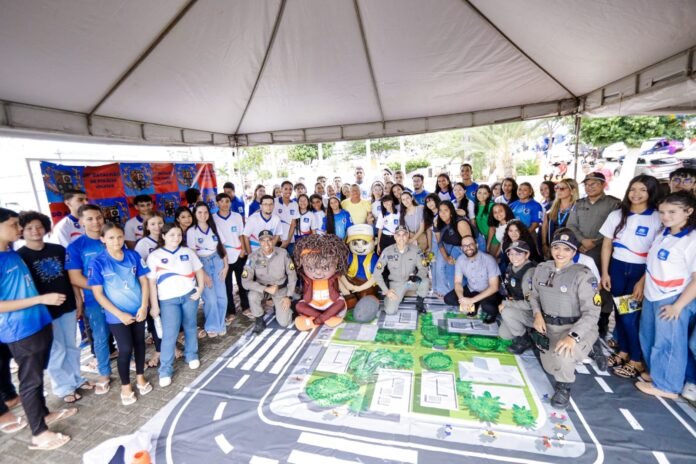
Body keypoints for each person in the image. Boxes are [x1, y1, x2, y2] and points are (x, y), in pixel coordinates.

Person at [0, 208, 76, 450]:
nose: (20, 228)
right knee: (30, 381)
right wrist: (40, 299)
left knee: (37, 375)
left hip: (39, 322)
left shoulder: (10, 253)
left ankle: (43, 414)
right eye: (14, 224)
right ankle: (39, 433)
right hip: (20, 329)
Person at [17, 212, 89, 404]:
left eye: (39, 226)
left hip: (67, 304)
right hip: (44, 311)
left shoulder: (58, 250)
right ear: (21, 231)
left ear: (46, 228)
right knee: (56, 350)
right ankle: (64, 387)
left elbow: (71, 277)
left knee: (71, 346)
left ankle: (77, 379)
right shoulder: (20, 257)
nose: (35, 231)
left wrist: (78, 298)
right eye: (29, 228)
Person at [529, 230, 601, 408]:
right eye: (557, 247)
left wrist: (573, 336)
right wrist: (537, 314)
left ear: (574, 252)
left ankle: (564, 387)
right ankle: (584, 349)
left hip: (574, 327)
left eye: (567, 249)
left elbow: (592, 312)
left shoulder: (583, 275)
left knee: (563, 354)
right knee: (550, 368)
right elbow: (533, 295)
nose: (560, 253)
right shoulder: (542, 269)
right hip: (550, 327)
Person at [599, 175, 662, 378]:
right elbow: (607, 245)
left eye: (643, 190)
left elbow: (656, 253)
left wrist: (643, 281)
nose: (636, 194)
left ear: (651, 192)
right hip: (617, 268)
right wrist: (605, 272)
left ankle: (636, 360)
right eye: (633, 189)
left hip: (640, 271)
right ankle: (624, 352)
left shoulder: (658, 217)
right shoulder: (617, 214)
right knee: (619, 313)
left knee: (630, 318)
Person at [637, 192, 696, 400]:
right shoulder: (664, 232)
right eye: (662, 212)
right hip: (652, 294)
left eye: (672, 212)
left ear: (688, 211)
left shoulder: (691, 240)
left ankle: (667, 386)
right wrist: (642, 284)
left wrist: (678, 306)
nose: (665, 216)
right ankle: (657, 374)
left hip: (673, 298)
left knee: (669, 342)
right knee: (649, 336)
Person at [88, 223, 152, 406]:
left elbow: (144, 281)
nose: (116, 241)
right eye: (111, 237)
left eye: (119, 237)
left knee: (140, 344)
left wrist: (144, 306)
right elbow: (98, 294)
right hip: (116, 315)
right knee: (125, 348)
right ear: (102, 239)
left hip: (138, 310)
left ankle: (140, 377)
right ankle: (125, 386)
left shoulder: (133, 256)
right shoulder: (98, 262)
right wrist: (119, 314)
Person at [147, 223, 205, 387]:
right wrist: (154, 306)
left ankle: (191, 355)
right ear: (163, 236)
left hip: (189, 296)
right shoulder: (155, 256)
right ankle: (165, 370)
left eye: (179, 234)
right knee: (169, 334)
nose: (176, 238)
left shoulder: (187, 252)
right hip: (168, 300)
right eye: (172, 235)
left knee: (190, 326)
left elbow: (199, 270)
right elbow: (151, 283)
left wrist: (200, 289)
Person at [567, 172, 621, 339]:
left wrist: (594, 242)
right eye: (587, 184)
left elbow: (615, 228)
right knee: (580, 283)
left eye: (594, 184)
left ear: (603, 185)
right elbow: (571, 225)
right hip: (580, 249)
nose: (589, 187)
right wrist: (582, 241)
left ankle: (602, 319)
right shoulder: (579, 203)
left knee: (602, 285)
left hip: (602, 251)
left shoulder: (613, 203)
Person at [66, 204, 112, 394]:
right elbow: (75, 277)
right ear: (81, 221)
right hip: (95, 299)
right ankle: (104, 373)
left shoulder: (112, 238)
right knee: (100, 336)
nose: (96, 222)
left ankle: (130, 360)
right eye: (90, 219)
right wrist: (102, 289)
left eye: (99, 217)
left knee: (124, 332)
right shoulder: (76, 247)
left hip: (121, 297)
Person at [242, 230, 297, 334]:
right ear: (259, 242)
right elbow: (245, 282)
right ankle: (259, 320)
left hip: (280, 288)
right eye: (263, 241)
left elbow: (292, 274)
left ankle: (288, 305)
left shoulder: (283, 253)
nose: (266, 244)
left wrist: (288, 296)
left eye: (269, 240)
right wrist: (265, 289)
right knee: (252, 295)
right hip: (262, 288)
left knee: (284, 322)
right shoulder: (253, 257)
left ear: (273, 240)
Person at [187, 202, 228, 338]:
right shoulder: (192, 231)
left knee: (222, 297)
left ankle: (220, 325)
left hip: (217, 261)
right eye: (199, 212)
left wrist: (226, 266)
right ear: (195, 214)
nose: (203, 215)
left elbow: (222, 247)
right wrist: (202, 274)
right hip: (202, 264)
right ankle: (211, 326)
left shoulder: (214, 227)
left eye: (205, 212)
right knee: (210, 299)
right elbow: (193, 255)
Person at [444, 234, 501, 324]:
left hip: (487, 291)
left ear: (476, 245)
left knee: (488, 307)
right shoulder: (460, 260)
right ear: (462, 248)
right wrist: (462, 299)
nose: (468, 248)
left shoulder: (489, 259)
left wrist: (471, 300)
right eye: (465, 246)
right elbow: (458, 282)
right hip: (472, 289)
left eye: (471, 244)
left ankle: (481, 306)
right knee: (448, 299)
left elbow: (494, 287)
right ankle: (473, 306)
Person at [133, 212, 166, 367]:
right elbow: (141, 271)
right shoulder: (143, 244)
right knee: (155, 318)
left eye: (160, 223)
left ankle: (170, 347)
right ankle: (159, 350)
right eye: (152, 224)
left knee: (168, 318)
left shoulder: (168, 238)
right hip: (152, 287)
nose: (157, 227)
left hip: (168, 286)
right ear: (146, 227)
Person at [373, 226, 429, 315]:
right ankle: (395, 297)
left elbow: (424, 267)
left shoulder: (416, 250)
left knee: (425, 281)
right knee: (390, 311)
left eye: (404, 235)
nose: (401, 237)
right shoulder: (387, 251)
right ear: (394, 236)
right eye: (398, 235)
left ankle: (420, 302)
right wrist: (386, 291)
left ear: (408, 236)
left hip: (410, 282)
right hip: (396, 284)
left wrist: (418, 276)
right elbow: (376, 273)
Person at [498, 240, 537, 354]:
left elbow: (530, 304)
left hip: (533, 313)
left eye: (518, 254)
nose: (514, 257)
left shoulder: (529, 273)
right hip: (519, 307)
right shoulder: (511, 266)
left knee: (506, 312)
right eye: (511, 253)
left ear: (527, 255)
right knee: (504, 334)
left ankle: (525, 340)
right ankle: (527, 329)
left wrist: (506, 304)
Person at [214, 193, 248, 324]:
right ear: (217, 203)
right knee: (227, 286)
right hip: (223, 257)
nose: (224, 204)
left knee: (242, 283)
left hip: (238, 254)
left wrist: (243, 250)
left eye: (227, 201)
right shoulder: (213, 218)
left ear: (230, 203)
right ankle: (231, 311)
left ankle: (246, 307)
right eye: (221, 201)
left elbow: (241, 234)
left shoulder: (237, 216)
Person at [434, 201, 473, 297]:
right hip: (454, 247)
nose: (443, 213)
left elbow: (469, 243)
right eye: (440, 211)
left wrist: (466, 260)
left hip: (466, 248)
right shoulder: (437, 222)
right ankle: (456, 296)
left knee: (468, 272)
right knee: (450, 272)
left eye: (446, 210)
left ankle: (470, 298)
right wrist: (446, 258)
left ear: (451, 212)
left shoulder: (460, 223)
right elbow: (439, 243)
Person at [542, 179, 578, 259]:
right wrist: (544, 244)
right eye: (556, 188)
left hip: (570, 247)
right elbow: (545, 226)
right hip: (553, 247)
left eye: (562, 188)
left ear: (572, 191)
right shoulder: (551, 206)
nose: (558, 191)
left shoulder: (577, 207)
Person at [274, 181, 299, 254]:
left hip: (290, 240)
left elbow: (293, 224)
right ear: (281, 189)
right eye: (286, 189)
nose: (288, 191)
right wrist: (278, 239)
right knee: (277, 259)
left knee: (291, 259)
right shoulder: (274, 201)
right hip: (277, 240)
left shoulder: (294, 204)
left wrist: (287, 241)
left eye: (290, 189)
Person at [473, 185, 494, 252]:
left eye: (485, 193)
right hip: (482, 238)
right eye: (479, 193)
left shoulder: (491, 206)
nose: (481, 195)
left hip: (493, 239)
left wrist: (488, 244)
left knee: (492, 257)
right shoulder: (476, 206)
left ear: (488, 195)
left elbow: (492, 227)